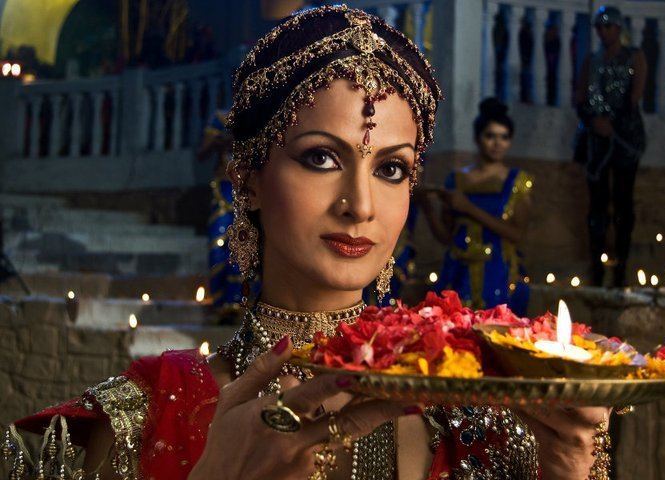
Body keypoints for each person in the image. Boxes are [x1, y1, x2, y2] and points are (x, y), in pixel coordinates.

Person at [6, 7, 609, 480]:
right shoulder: (145, 416)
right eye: (321, 157)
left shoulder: (479, 415)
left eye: (391, 169)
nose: (361, 205)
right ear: (247, 174)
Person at [419, 98, 533, 316]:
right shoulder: (457, 180)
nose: (497, 143)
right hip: (458, 272)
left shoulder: (518, 181)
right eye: (490, 136)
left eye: (504, 137)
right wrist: (427, 207)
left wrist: (469, 208)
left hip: (498, 272)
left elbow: (517, 234)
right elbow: (446, 237)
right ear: (477, 138)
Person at [574, 5, 647, 288]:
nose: (604, 32)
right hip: (596, 139)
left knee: (623, 203)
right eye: (600, 27)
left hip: (624, 138)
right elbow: (580, 97)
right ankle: (597, 269)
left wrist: (612, 124)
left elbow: (635, 97)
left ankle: (620, 270)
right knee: (598, 206)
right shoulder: (591, 61)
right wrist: (594, 122)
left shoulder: (634, 56)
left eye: (609, 26)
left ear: (619, 28)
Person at [197, 108, 248, 315]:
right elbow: (202, 153)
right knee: (217, 245)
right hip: (224, 189)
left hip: (250, 192)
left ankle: (236, 302)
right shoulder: (220, 118)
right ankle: (219, 303)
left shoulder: (260, 114)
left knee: (243, 247)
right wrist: (222, 141)